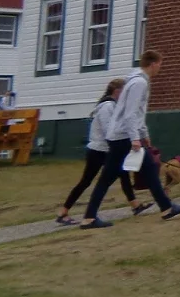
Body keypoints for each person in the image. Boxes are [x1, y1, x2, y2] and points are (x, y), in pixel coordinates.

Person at [79, 50, 180, 228]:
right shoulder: (139, 83)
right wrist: (136, 138)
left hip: (119, 135)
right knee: (145, 170)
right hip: (124, 136)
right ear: (153, 64)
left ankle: (90, 217)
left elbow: (137, 113)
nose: (160, 68)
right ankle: (166, 207)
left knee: (113, 176)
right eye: (160, 64)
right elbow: (131, 113)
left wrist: (144, 134)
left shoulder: (135, 80)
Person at [56, 79, 150, 225]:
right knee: (86, 181)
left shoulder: (114, 106)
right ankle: (64, 212)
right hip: (99, 150)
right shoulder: (107, 107)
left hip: (107, 149)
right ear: (117, 91)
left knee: (124, 175)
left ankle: (135, 205)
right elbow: (109, 130)